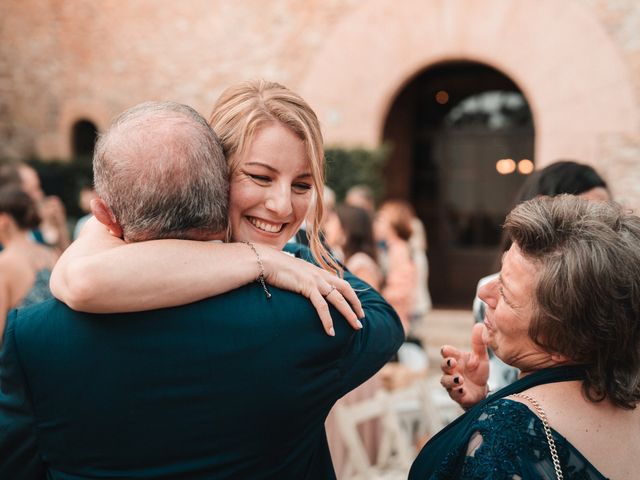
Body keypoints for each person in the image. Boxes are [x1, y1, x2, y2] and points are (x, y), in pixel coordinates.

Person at [0, 94, 404, 479]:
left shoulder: (32, 337)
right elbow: (383, 320)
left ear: (103, 214)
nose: (283, 205)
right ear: (217, 177)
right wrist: (282, 255)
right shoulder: (304, 323)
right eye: (260, 176)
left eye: (302, 185)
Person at [410, 195, 640, 479]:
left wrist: (497, 419)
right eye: (500, 273)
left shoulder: (505, 439)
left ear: (560, 338)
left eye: (505, 292)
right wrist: (486, 405)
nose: (484, 293)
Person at [473, 160, 612, 390]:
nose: (602, 227)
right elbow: (501, 381)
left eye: (605, 213)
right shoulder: (492, 296)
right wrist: (481, 402)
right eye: (586, 215)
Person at [0, 187, 58, 341]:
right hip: (57, 347)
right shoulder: (50, 254)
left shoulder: (3, 264)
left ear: (4, 219)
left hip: (22, 355)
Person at [0, 162, 71, 251]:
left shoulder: (36, 229)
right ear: (14, 194)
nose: (40, 194)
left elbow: (66, 260)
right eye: (35, 189)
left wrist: (60, 227)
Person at [375, 199, 417, 334]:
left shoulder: (399, 250)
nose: (376, 224)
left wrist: (374, 295)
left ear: (393, 224)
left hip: (395, 319)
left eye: (381, 220)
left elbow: (401, 290)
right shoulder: (391, 248)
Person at [324, 203, 383, 290]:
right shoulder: (347, 258)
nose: (325, 227)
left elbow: (369, 301)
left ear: (344, 231)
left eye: (329, 221)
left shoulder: (361, 263)